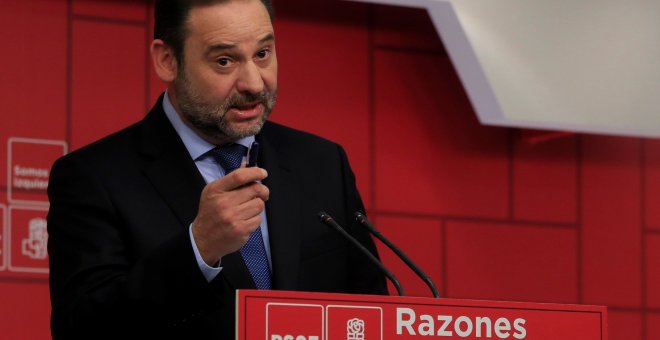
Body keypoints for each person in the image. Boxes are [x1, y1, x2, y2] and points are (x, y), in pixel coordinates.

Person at [46, 0, 387, 338]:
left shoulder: (322, 163)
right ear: (167, 61)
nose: (254, 83)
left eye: (263, 54)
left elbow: (371, 313)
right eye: (225, 61)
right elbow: (83, 328)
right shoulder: (94, 178)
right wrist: (199, 249)